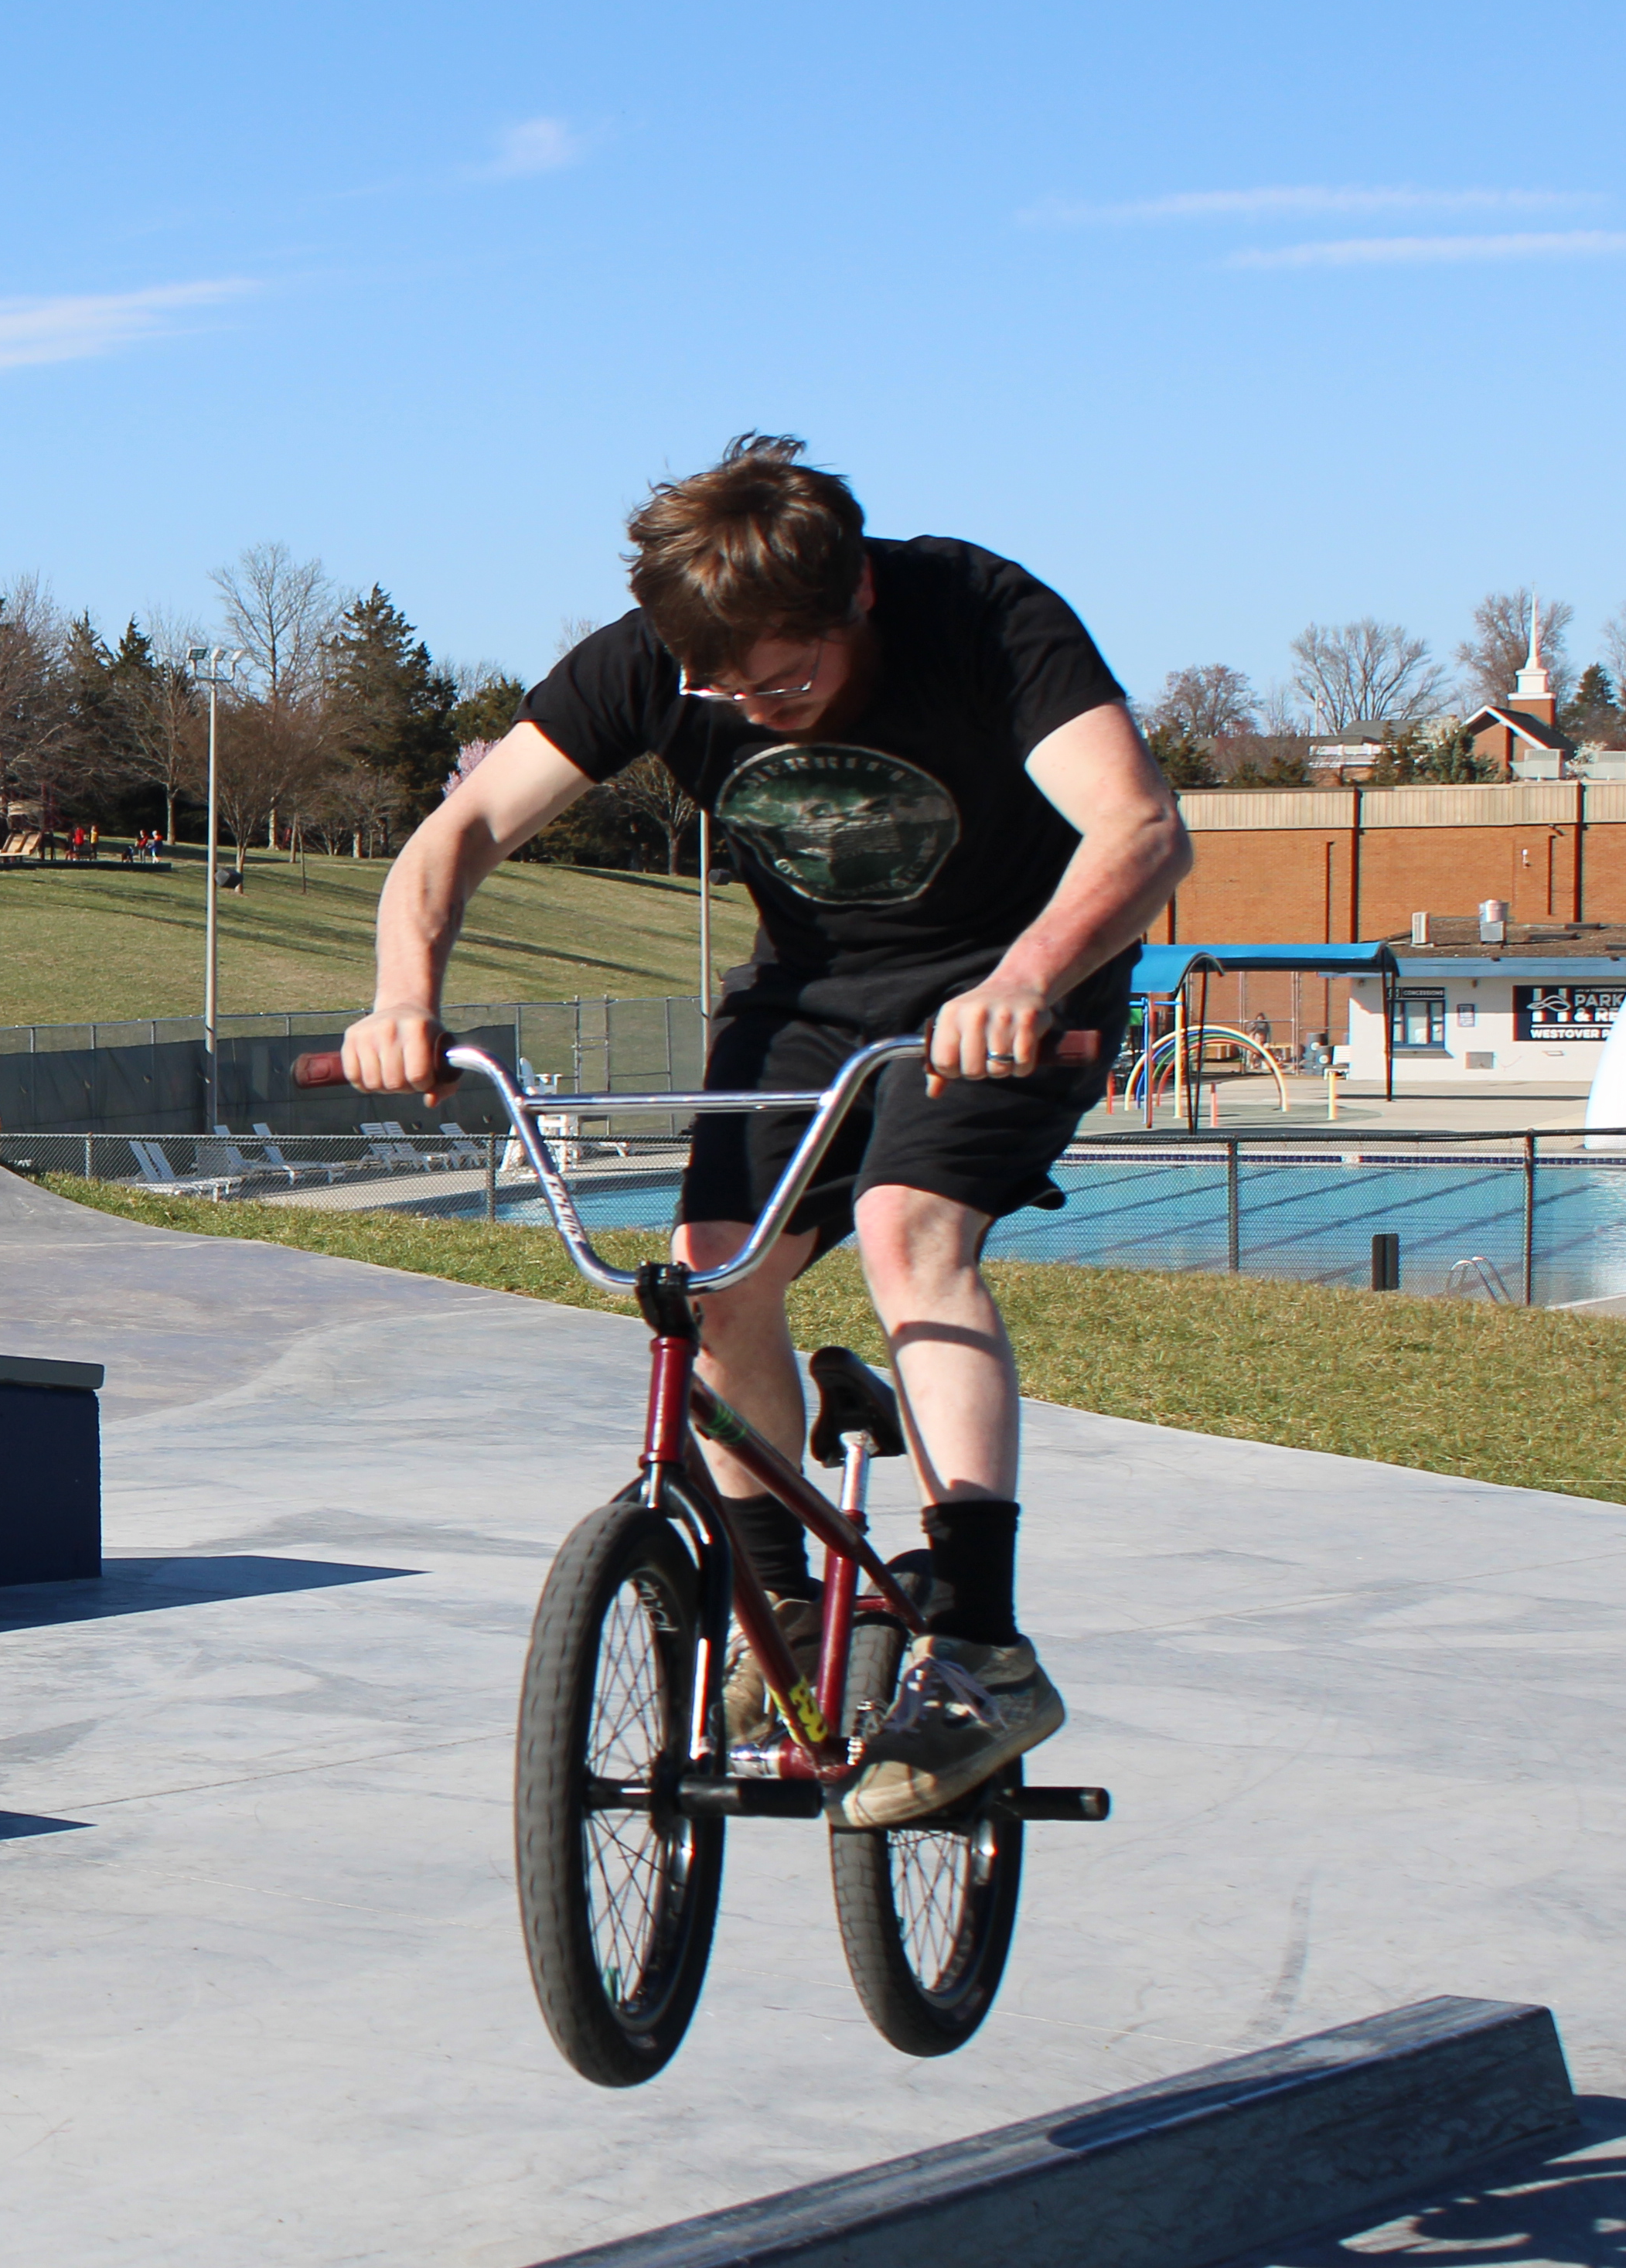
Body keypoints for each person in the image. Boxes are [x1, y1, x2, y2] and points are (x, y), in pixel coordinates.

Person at [338, 435, 1191, 1827]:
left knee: (908, 1234)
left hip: (1012, 984)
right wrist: (402, 996)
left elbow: (1141, 829)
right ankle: (781, 1613)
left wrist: (1028, 979)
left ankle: (980, 1648)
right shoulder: (655, 662)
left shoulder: (983, 614)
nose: (751, 710)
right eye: (721, 690)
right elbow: (465, 826)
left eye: (782, 681)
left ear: (858, 597)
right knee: (712, 1274)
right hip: (808, 997)